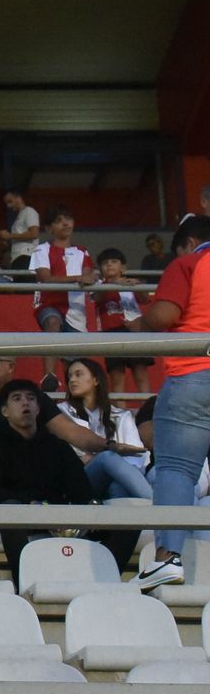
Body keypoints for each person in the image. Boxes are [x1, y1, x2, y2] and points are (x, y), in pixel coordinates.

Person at [0, 380, 135, 590]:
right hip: (21, 514)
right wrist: (29, 505)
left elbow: (80, 488)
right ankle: (22, 586)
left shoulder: (57, 446)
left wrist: (88, 508)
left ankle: (105, 582)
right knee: (10, 514)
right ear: (5, 411)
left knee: (130, 522)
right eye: (17, 399)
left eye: (31, 399)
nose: (25, 403)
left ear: (38, 408)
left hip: (61, 516)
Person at [0, 355, 137, 503]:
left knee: (107, 468)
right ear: (5, 410)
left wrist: (109, 445)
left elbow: (71, 431)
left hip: (34, 465)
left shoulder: (34, 397)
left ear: (11, 366)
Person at [137, 214, 210, 587]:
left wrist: (137, 323)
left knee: (177, 470)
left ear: (189, 242)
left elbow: (165, 315)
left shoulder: (189, 263)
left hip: (194, 376)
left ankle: (168, 558)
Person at [57, 357, 151, 501]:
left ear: (96, 380)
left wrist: (114, 469)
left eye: (78, 374)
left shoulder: (121, 416)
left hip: (117, 481)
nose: (72, 380)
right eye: (69, 376)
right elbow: (70, 456)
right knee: (106, 457)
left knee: (117, 486)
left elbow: (137, 456)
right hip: (82, 481)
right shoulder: (61, 413)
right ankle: (159, 505)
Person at [29, 204, 94, 391]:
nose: (65, 223)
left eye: (68, 219)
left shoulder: (82, 251)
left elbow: (88, 276)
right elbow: (45, 278)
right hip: (48, 302)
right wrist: (78, 278)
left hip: (76, 309)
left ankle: (71, 400)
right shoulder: (41, 249)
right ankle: (49, 375)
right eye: (59, 220)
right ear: (49, 228)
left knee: (72, 364)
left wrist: (86, 278)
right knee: (52, 322)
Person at [91, 247, 153, 395]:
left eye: (114, 261)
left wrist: (138, 286)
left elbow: (145, 299)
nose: (110, 265)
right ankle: (119, 414)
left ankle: (148, 410)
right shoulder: (99, 286)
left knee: (141, 373)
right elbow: (97, 297)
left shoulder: (130, 284)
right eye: (105, 263)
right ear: (100, 268)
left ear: (123, 267)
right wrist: (114, 283)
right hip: (112, 333)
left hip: (135, 331)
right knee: (117, 377)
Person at [0, 190, 41, 270]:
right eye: (7, 203)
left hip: (26, 255)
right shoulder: (18, 218)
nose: (8, 205)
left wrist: (9, 236)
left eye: (10, 201)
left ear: (18, 198)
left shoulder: (29, 211)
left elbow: (34, 233)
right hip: (17, 257)